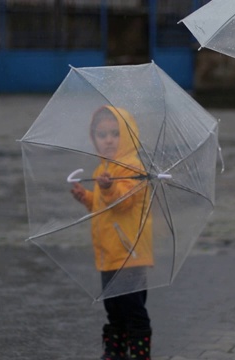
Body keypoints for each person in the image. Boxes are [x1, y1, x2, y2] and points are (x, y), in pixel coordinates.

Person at [71, 105, 153, 360]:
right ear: (93, 138)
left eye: (115, 134)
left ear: (127, 136)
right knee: (114, 309)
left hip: (130, 253)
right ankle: (115, 351)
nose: (108, 140)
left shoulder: (132, 167)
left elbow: (123, 202)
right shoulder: (103, 169)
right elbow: (102, 206)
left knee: (132, 309)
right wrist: (87, 197)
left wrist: (107, 190)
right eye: (101, 134)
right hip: (109, 253)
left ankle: (140, 353)